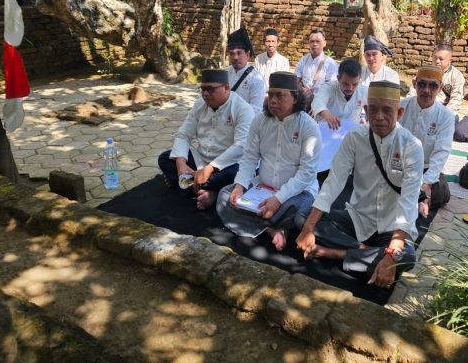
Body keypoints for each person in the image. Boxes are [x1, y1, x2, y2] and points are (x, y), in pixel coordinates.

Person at [295, 80, 423, 289]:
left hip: (391, 227)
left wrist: (391, 256)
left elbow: (408, 205)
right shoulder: (354, 137)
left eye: (386, 110)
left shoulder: (412, 146)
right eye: (373, 110)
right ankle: (364, 253)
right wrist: (309, 227)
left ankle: (333, 253)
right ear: (365, 110)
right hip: (357, 217)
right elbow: (333, 183)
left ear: (399, 113)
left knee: (407, 257)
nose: (379, 116)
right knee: (302, 217)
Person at [216, 72, 321, 251]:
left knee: (299, 216)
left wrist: (278, 199)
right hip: (262, 187)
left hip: (296, 193)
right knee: (225, 196)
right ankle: (272, 229)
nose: (272, 100)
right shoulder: (260, 121)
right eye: (270, 94)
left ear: (295, 98)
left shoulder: (309, 126)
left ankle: (266, 221)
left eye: (280, 95)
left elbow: (306, 173)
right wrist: (240, 186)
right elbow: (249, 157)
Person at [158, 69, 254, 210]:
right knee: (165, 158)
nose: (205, 94)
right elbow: (184, 135)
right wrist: (181, 165)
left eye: (211, 89)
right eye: (202, 89)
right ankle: (205, 191)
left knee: (238, 174)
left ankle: (192, 187)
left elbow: (241, 146)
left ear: (226, 88)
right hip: (201, 160)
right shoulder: (200, 104)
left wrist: (210, 168)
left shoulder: (242, 109)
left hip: (228, 165)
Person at [399, 66, 455, 218]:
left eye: (433, 86)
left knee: (442, 192)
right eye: (422, 84)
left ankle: (423, 199)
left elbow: (441, 153)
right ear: (414, 84)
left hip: (425, 169)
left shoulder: (446, 116)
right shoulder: (400, 107)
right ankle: (419, 201)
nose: (426, 90)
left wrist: (426, 183)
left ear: (440, 87)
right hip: (398, 166)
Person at [311, 58, 367, 130]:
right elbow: (317, 102)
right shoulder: (328, 87)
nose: (350, 88)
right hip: (326, 132)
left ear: (359, 80)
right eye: (346, 84)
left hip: (351, 135)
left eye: (355, 84)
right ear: (338, 78)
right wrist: (326, 113)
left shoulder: (363, 91)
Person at [408, 44, 465, 114]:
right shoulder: (425, 71)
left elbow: (456, 100)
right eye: (435, 58)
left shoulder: (456, 76)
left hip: (444, 111)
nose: (437, 61)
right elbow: (413, 92)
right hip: (422, 108)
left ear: (450, 60)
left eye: (441, 59)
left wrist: (444, 115)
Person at [226, 27, 266, 114]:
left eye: (239, 53)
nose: (235, 57)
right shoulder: (225, 73)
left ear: (247, 54)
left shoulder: (256, 79)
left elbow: (256, 110)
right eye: (232, 53)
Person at [294, 29, 338, 102]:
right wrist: (303, 89)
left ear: (324, 43)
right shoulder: (303, 59)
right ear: (308, 43)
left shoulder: (331, 63)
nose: (314, 44)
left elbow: (331, 87)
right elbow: (296, 80)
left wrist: (314, 94)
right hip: (303, 97)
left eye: (318, 41)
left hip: (322, 100)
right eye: (312, 41)